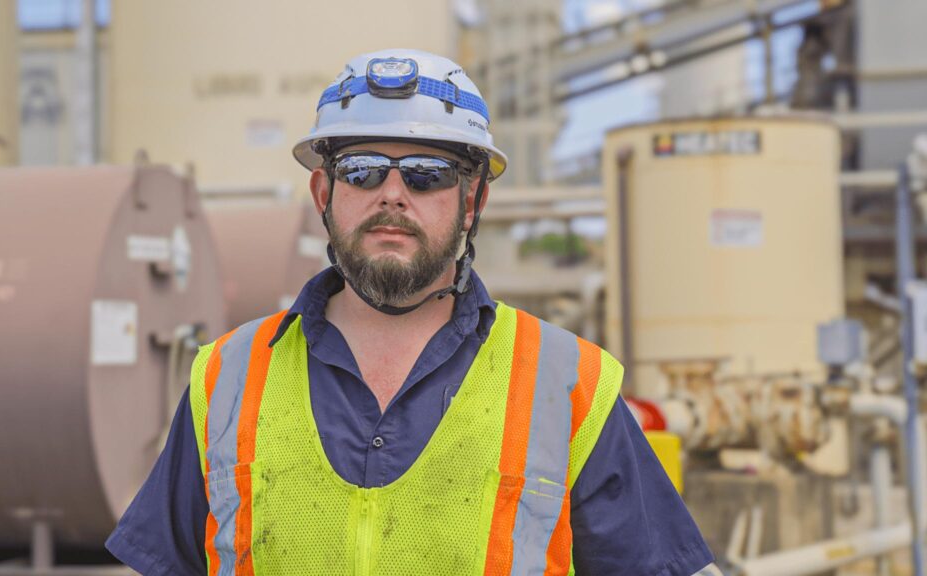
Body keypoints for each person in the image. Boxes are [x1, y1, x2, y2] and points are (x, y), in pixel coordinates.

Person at [107, 49, 720, 576]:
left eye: (427, 174)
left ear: (473, 200)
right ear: (324, 193)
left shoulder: (568, 383)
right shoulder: (227, 377)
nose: (392, 194)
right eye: (362, 170)